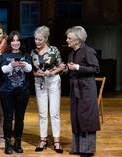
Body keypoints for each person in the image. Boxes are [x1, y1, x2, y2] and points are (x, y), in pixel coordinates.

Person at [65, 26, 100, 157]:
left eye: (69, 38)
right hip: (75, 89)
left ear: (78, 40)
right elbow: (73, 70)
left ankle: (87, 150)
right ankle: (78, 147)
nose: (67, 40)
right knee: (76, 117)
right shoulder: (71, 53)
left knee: (86, 118)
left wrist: (78, 67)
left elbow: (95, 69)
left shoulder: (88, 51)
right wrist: (66, 68)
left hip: (86, 90)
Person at [31, 25, 64, 154]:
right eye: (35, 39)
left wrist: (51, 72)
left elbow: (61, 66)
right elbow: (32, 70)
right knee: (42, 113)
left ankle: (56, 141)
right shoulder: (33, 52)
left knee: (54, 112)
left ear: (46, 39)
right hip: (39, 82)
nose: (37, 42)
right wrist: (36, 73)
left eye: (39, 39)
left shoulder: (54, 50)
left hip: (53, 81)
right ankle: (43, 140)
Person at [0, 31, 32, 154]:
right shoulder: (4, 55)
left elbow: (29, 69)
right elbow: (3, 70)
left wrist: (24, 65)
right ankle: (7, 143)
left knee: (20, 119)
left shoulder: (26, 54)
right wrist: (12, 65)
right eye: (13, 40)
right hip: (7, 91)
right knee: (7, 118)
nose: (15, 43)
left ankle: (17, 142)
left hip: (22, 91)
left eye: (17, 40)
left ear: (20, 42)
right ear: (10, 42)